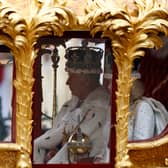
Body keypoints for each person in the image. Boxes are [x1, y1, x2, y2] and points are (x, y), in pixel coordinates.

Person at [33, 45, 110, 164]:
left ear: (86, 81)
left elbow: (76, 148)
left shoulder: (101, 107)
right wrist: (51, 150)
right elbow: (54, 136)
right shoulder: (73, 103)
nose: (67, 82)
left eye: (71, 77)